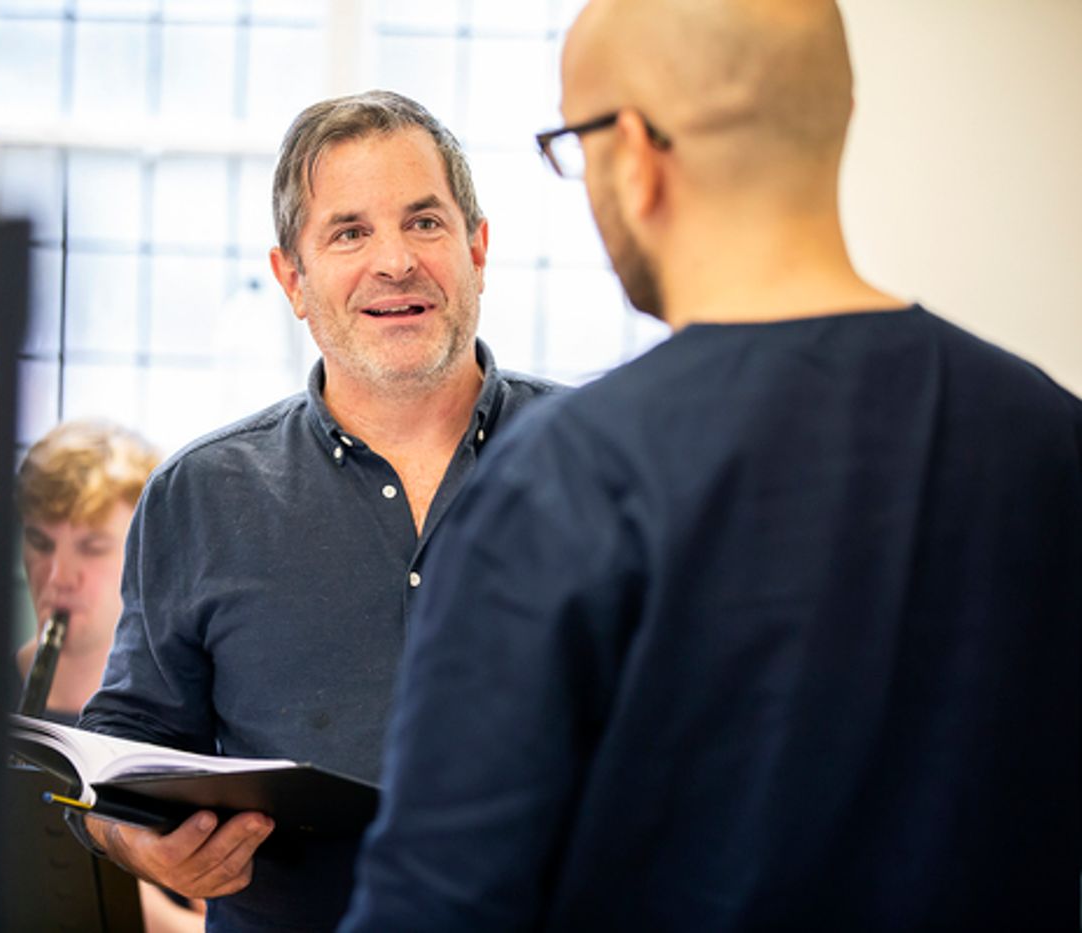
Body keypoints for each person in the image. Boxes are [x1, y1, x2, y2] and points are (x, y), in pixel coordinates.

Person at [340, 1, 1082, 930]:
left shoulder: (564, 481)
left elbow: (438, 904)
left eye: (572, 145)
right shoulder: (1051, 436)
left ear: (639, 154)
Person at [72, 90, 561, 931]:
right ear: (292, 279)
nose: (396, 261)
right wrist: (138, 843)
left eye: (426, 223)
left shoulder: (606, 463)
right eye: (349, 232)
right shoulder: (201, 495)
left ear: (478, 249)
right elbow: (119, 754)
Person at [0, 419, 203, 933]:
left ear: (147, 556)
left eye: (93, 547)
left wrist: (124, 899)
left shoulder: (189, 730)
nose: (58, 578)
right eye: (41, 542)